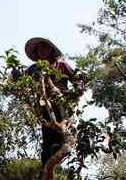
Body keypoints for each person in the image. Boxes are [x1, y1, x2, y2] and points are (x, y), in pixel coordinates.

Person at [11, 37, 84, 167]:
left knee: (61, 138)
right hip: (46, 109)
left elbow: (77, 79)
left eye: (45, 47)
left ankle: (55, 159)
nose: (42, 51)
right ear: (36, 52)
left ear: (51, 49)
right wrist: (16, 75)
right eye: (39, 49)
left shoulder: (61, 65)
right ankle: (45, 169)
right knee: (47, 141)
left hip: (62, 106)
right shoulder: (34, 68)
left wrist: (79, 87)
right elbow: (22, 80)